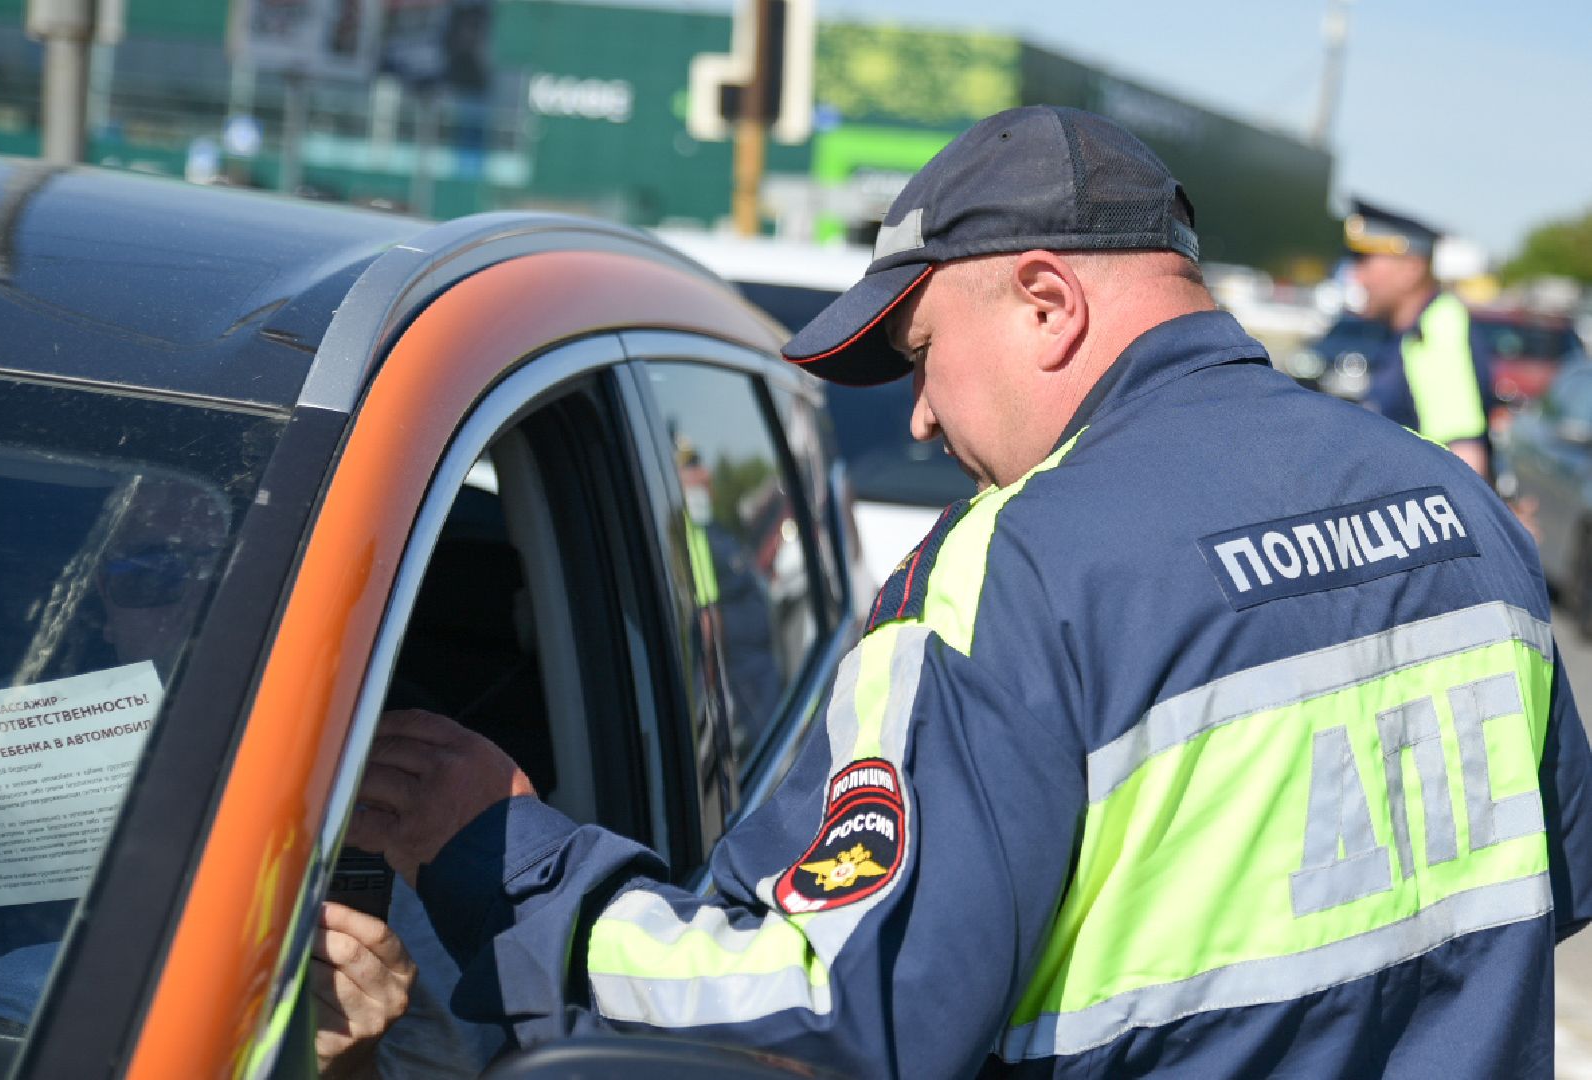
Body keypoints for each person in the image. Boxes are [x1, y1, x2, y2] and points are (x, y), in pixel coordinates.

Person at [348, 107, 1592, 1077]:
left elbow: (827, 1008)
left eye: (924, 353)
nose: (928, 414)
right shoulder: (1455, 507)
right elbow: (1554, 889)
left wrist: (502, 859)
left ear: (1047, 300)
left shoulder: (1019, 566)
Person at [1345, 198, 1497, 479]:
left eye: (1364, 261)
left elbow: (1463, 458)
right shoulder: (1406, 330)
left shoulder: (1439, 326)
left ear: (1411, 269)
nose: (1356, 276)